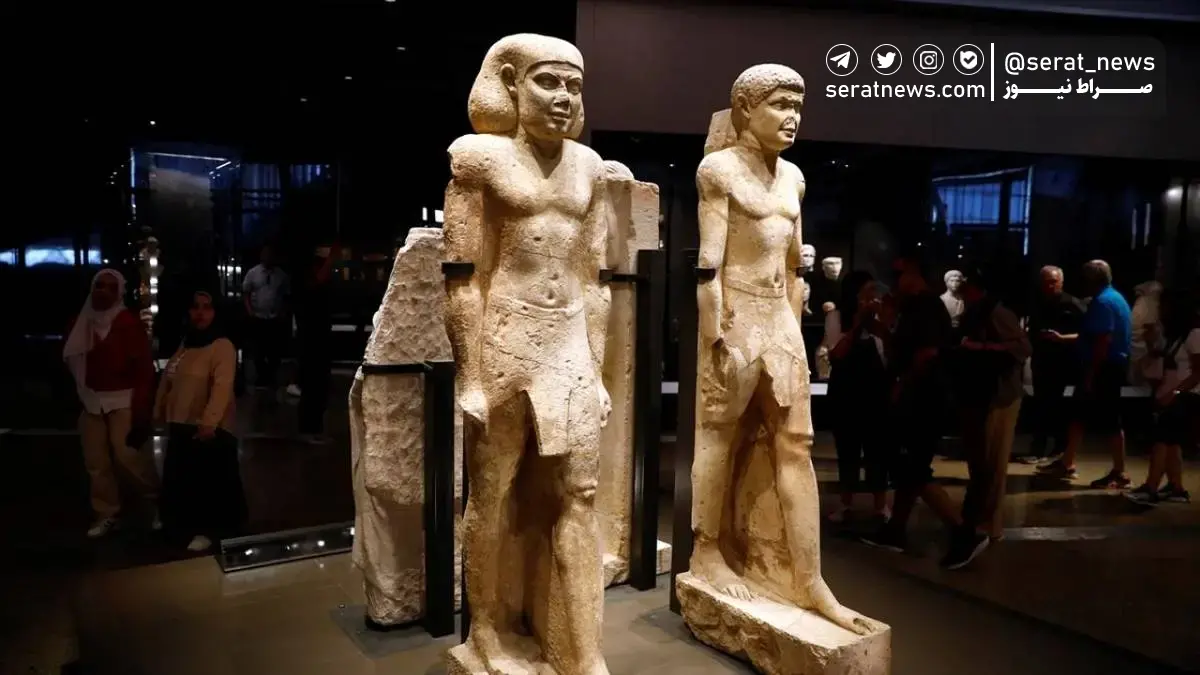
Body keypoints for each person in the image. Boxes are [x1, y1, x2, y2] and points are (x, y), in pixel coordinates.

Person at [861, 256, 961, 553]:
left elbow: (926, 352)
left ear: (914, 275)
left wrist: (901, 385)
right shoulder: (915, 307)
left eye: (900, 274)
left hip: (922, 399)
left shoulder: (924, 306)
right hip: (920, 396)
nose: (895, 282)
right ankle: (896, 529)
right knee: (909, 467)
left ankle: (961, 531)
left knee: (913, 468)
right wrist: (882, 328)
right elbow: (907, 348)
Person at [943, 269, 1031, 569]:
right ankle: (989, 524)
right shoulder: (978, 312)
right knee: (984, 463)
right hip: (983, 396)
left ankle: (986, 525)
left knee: (991, 462)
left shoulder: (996, 313)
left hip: (998, 397)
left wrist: (980, 348)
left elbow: (1022, 348)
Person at [64, 269, 160, 538]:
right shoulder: (80, 323)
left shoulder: (127, 323)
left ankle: (155, 502)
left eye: (109, 287)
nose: (102, 292)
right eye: (98, 285)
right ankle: (106, 512)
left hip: (122, 400)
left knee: (129, 457)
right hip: (91, 401)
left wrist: (141, 409)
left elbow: (142, 369)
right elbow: (72, 361)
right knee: (96, 463)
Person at [155, 290, 246, 552]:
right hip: (183, 423)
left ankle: (210, 530)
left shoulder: (221, 345)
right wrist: (159, 411)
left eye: (207, 307)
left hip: (208, 427)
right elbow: (170, 379)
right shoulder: (187, 343)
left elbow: (222, 385)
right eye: (195, 307)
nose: (200, 313)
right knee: (182, 477)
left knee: (209, 482)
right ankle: (179, 525)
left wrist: (210, 421)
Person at [1039, 260, 1133, 488]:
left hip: (1105, 367)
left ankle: (1120, 472)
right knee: (1079, 413)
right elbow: (1092, 335)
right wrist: (1063, 339)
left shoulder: (1103, 302)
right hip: (1106, 365)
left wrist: (1091, 374)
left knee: (1110, 420)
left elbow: (1102, 340)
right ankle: (1067, 461)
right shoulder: (1115, 298)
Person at [827, 272, 892, 523]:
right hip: (846, 393)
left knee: (878, 450)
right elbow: (836, 354)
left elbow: (889, 353)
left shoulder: (881, 316)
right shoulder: (836, 317)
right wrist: (857, 325)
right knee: (847, 450)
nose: (870, 296)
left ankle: (880, 505)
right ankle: (846, 503)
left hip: (876, 393)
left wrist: (879, 324)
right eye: (866, 291)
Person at [1126, 291, 1198, 505]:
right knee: (1172, 443)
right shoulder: (1179, 337)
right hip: (1175, 394)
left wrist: (1174, 394)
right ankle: (1176, 488)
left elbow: (1198, 372)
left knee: (1161, 440)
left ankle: (1151, 487)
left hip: (1185, 396)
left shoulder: (1195, 334)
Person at [1019, 265, 1085, 463]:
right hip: (1041, 359)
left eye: (1053, 282)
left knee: (1058, 406)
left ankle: (1059, 448)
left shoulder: (1073, 303)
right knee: (1040, 403)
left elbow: (1086, 334)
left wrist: (1062, 338)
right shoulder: (1036, 303)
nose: (1050, 286)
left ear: (1061, 282)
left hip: (1063, 361)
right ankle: (1038, 448)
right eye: (1046, 282)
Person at [296, 246, 338, 443]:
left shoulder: (322, 286)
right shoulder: (309, 284)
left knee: (320, 387)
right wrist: (331, 258)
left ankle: (315, 428)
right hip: (311, 342)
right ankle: (308, 429)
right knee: (312, 387)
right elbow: (317, 281)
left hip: (320, 341)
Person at [242, 245, 290, 388]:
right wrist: (249, 311)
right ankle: (261, 378)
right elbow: (246, 293)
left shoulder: (281, 275)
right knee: (259, 350)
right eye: (265, 254)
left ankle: (272, 378)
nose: (268, 257)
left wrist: (283, 312)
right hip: (258, 317)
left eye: (270, 254)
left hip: (274, 318)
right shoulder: (253, 273)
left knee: (274, 351)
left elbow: (286, 295)